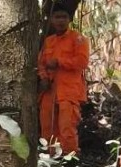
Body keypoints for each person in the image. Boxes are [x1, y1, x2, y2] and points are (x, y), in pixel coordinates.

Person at [38, 4, 89, 155]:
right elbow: (40, 62)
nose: (60, 21)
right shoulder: (48, 41)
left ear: (69, 19)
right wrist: (44, 77)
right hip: (49, 91)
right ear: (52, 20)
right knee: (47, 127)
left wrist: (59, 61)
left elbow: (82, 62)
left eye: (64, 17)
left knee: (67, 128)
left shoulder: (79, 39)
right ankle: (50, 162)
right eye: (57, 17)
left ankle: (69, 161)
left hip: (69, 91)